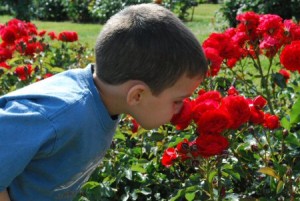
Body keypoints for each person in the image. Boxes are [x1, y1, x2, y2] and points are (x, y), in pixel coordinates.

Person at [0, 3, 207, 201]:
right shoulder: (60, 114)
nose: (183, 109)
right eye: (178, 100)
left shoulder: (101, 101)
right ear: (137, 95)